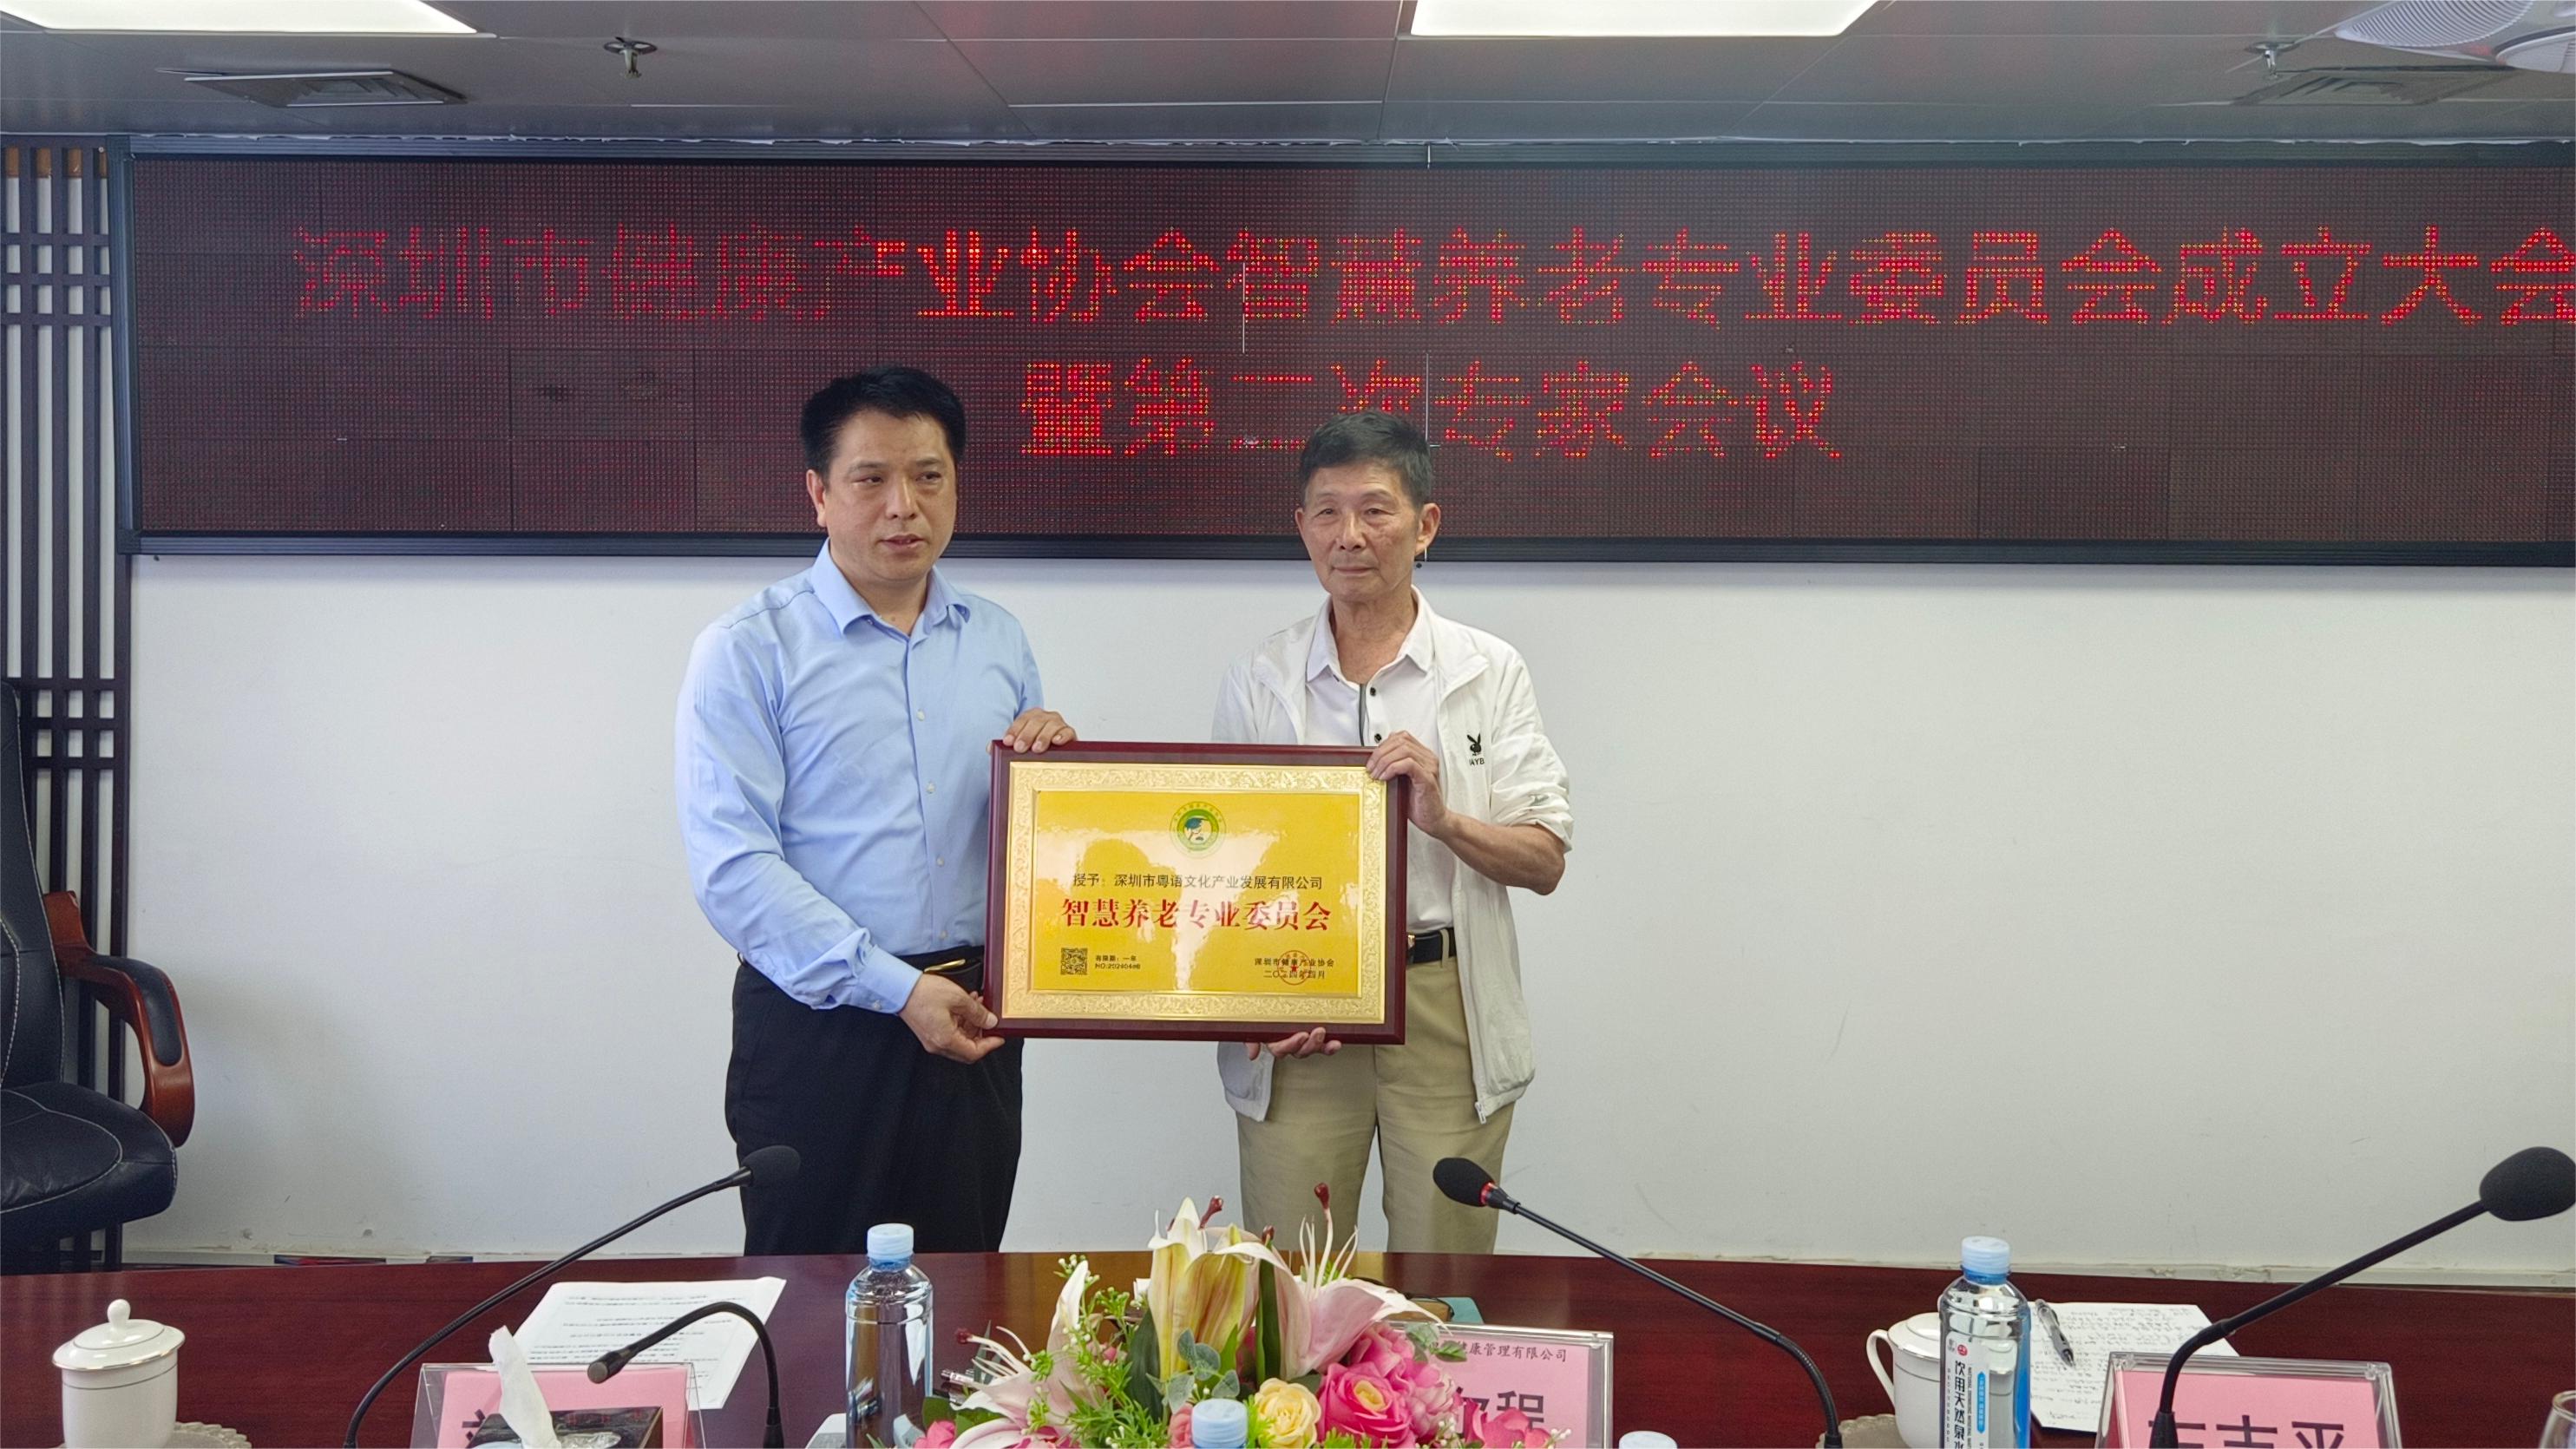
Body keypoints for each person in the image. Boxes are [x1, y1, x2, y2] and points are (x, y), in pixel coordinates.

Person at [676, 365, 1074, 1255]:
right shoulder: (748, 649)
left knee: (962, 1283)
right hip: (819, 1027)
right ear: (818, 494)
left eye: (929, 476)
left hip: (972, 1014)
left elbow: (1021, 837)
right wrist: (896, 989)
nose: (904, 506)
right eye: (871, 479)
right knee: (809, 1291)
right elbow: (734, 868)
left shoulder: (997, 638)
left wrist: (1058, 775)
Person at [1211, 410, 1572, 1253]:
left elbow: (1545, 859)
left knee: (1444, 1281)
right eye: (1326, 512)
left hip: (1442, 1005)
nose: (1349, 535)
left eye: (1375, 509)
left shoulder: (1487, 669)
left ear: (1425, 524)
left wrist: (1443, 820)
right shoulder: (1259, 677)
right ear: (1301, 526)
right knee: (1293, 1281)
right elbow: (1221, 872)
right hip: (1300, 1009)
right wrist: (1262, 996)